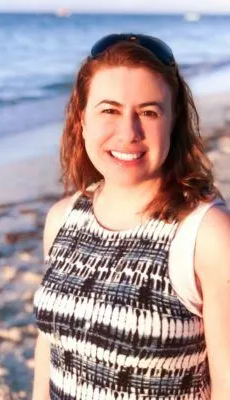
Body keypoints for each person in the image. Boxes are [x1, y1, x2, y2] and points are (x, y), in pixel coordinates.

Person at [32, 33, 230, 399]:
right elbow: (50, 348)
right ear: (82, 120)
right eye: (109, 110)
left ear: (173, 122)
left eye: (149, 112)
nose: (129, 132)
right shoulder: (62, 219)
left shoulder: (206, 235)